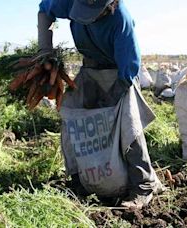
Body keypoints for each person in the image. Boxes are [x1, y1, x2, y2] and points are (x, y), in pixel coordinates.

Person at [38, 0, 164, 209]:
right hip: (89, 70)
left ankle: (143, 185)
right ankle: (78, 181)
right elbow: (44, 11)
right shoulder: (69, 2)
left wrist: (108, 106)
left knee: (127, 123)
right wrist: (45, 50)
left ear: (110, 5)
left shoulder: (120, 20)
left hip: (118, 74)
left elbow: (129, 69)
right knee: (71, 116)